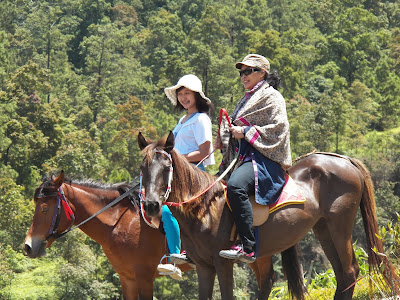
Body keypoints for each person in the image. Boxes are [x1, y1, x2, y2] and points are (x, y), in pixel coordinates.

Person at [217, 54, 292, 263]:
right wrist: (226, 134)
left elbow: (280, 128)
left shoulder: (272, 96)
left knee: (236, 186)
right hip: (245, 157)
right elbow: (237, 130)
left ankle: (247, 247)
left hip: (265, 159)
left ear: (263, 73)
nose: (243, 76)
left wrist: (246, 131)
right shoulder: (247, 98)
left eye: (249, 71)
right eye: (242, 72)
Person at [156, 74, 215, 279]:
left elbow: (205, 151)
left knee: (168, 209)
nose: (183, 97)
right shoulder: (183, 120)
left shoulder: (201, 119)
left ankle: (176, 255)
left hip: (193, 175)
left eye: (187, 93)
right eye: (180, 94)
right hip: (179, 175)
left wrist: (178, 160)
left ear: (197, 96)